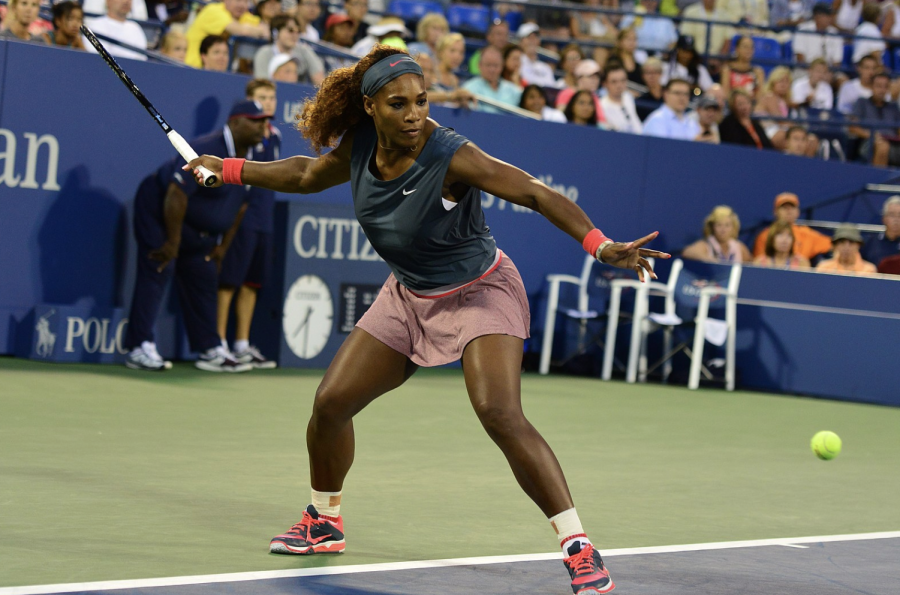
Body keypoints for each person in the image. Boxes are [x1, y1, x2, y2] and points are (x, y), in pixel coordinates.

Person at [184, 44, 667, 595]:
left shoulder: (450, 154)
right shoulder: (361, 145)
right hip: (409, 296)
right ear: (370, 108)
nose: (414, 114)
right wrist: (228, 168)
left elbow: (534, 192)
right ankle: (324, 521)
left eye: (421, 101)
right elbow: (305, 175)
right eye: (398, 104)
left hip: (480, 292)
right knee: (330, 405)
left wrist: (601, 246)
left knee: (498, 412)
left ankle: (578, 545)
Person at [125, 100, 270, 373]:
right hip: (161, 210)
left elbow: (240, 207)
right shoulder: (209, 148)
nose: (263, 125)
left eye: (264, 120)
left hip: (195, 225)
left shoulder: (254, 156)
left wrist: (222, 248)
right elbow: (176, 194)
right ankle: (138, 346)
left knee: (203, 272)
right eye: (256, 120)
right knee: (160, 265)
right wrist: (172, 241)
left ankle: (210, 349)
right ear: (235, 122)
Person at [215, 81, 282, 369]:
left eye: (271, 97)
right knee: (229, 281)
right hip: (243, 219)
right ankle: (218, 343)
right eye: (261, 98)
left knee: (252, 283)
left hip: (265, 220)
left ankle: (241, 344)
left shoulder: (275, 136)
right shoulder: (247, 137)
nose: (268, 103)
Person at [186, 0, 268, 69]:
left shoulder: (243, 16)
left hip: (216, 72)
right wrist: (247, 29)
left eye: (245, 2)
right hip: (192, 67)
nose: (242, 5)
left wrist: (247, 28)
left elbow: (266, 31)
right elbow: (238, 30)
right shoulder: (213, 10)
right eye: (238, 1)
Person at [753, 192, 832, 260]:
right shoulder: (765, 235)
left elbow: (832, 245)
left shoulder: (806, 233)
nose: (789, 211)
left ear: (798, 212)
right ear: (775, 212)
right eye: (784, 208)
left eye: (792, 207)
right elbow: (760, 263)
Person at [254, 14, 325, 84]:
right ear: (275, 32)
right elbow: (261, 84)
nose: (295, 35)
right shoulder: (264, 53)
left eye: (298, 31)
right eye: (290, 30)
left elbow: (319, 80)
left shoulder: (304, 51)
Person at [849, 72, 900, 166]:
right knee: (883, 147)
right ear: (871, 87)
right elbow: (853, 127)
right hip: (869, 142)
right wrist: (872, 135)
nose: (882, 90)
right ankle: (878, 181)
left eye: (885, 87)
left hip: (894, 143)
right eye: (879, 86)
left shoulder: (893, 107)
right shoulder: (861, 103)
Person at [462, 45, 524, 114]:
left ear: (502, 66)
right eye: (488, 65)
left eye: (495, 65)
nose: (492, 70)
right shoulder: (469, 88)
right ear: (479, 65)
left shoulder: (513, 90)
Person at [682, 205, 752, 262]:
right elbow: (687, 252)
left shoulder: (739, 247)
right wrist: (709, 259)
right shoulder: (706, 245)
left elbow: (751, 263)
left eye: (727, 225)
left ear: (733, 227)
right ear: (712, 227)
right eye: (719, 225)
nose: (723, 230)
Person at [792, 3, 843, 67]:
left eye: (830, 16)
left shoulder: (835, 33)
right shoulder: (803, 29)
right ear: (817, 17)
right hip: (806, 69)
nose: (830, 19)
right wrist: (815, 72)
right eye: (827, 16)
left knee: (841, 77)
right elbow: (800, 58)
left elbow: (837, 62)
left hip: (828, 71)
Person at [554, 59, 605, 124]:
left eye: (597, 77)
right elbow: (560, 117)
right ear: (580, 78)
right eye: (591, 77)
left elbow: (601, 121)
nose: (595, 80)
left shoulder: (595, 97)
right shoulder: (566, 93)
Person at [600, 63, 642, 133]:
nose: (619, 85)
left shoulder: (628, 96)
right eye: (614, 82)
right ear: (605, 84)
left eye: (623, 80)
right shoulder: (602, 106)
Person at [721, 36, 765, 101]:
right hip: (732, 106)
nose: (749, 50)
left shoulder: (758, 72)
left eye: (751, 47)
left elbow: (760, 97)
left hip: (752, 106)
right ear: (737, 49)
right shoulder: (727, 69)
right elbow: (725, 95)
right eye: (745, 47)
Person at [862, 196, 900, 267]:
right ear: (884, 218)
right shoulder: (870, 243)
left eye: (899, 215)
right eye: (892, 215)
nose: (896, 220)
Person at [516, 22, 557, 87]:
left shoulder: (546, 68)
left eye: (535, 37)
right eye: (529, 37)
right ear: (520, 41)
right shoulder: (516, 63)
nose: (532, 41)